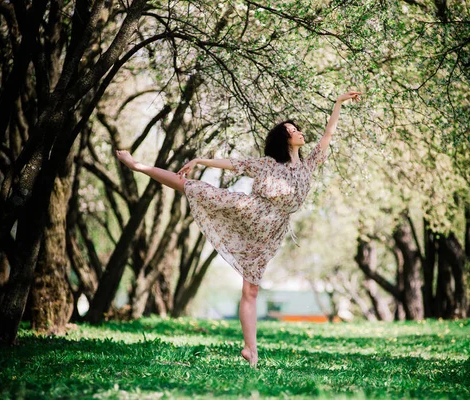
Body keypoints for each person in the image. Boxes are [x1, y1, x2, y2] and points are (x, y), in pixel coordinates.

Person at [115, 91, 362, 367]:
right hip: (247, 210)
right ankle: (138, 165)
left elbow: (328, 135)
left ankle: (250, 351)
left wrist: (338, 103)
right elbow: (235, 165)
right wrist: (199, 161)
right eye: (292, 130)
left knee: (251, 291)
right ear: (285, 140)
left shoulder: (308, 166)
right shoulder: (268, 164)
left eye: (297, 129)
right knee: (195, 187)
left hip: (269, 234)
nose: (299, 132)